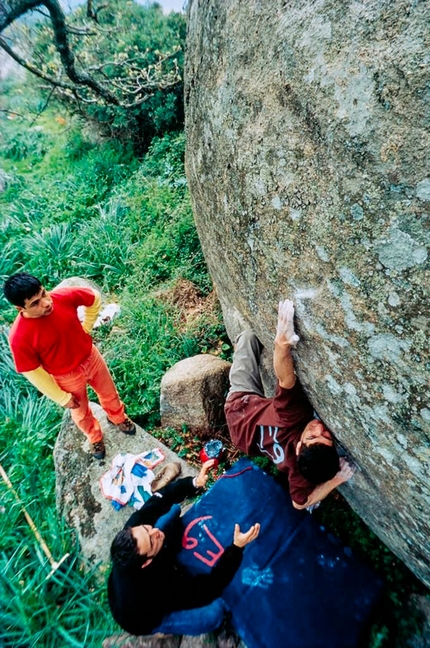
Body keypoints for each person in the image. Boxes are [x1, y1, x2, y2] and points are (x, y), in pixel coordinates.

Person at [225, 299, 355, 510]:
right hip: (250, 441)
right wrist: (335, 479)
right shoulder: (303, 470)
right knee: (252, 340)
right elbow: (299, 503)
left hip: (240, 409)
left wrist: (281, 343)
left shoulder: (292, 418)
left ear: (298, 447)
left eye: (312, 436)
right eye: (326, 436)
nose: (319, 428)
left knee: (248, 337)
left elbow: (286, 379)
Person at [108, 460, 260, 637]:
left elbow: (160, 499)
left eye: (147, 529)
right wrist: (237, 547)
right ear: (147, 562)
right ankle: (163, 630)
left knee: (171, 511)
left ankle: (164, 547)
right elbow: (208, 588)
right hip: (143, 618)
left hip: (137, 579)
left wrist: (194, 483)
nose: (155, 531)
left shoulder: (134, 529)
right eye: (151, 540)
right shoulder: (156, 589)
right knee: (215, 613)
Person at [3, 272, 135, 459]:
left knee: (109, 393)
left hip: (91, 357)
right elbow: (32, 372)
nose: (46, 303)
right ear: (20, 308)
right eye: (35, 303)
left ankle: (118, 417)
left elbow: (94, 298)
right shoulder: (19, 337)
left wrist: (86, 328)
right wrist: (61, 397)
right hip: (66, 376)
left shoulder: (62, 297)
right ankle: (94, 437)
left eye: (43, 293)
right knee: (80, 412)